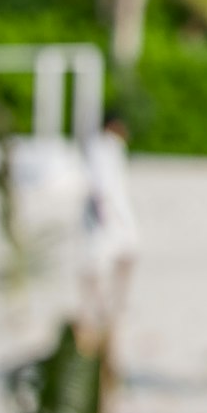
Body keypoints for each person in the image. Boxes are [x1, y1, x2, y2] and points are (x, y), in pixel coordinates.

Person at [78, 112, 137, 339]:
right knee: (97, 261)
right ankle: (101, 306)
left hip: (115, 211)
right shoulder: (102, 147)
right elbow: (101, 184)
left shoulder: (111, 148)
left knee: (121, 256)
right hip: (105, 212)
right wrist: (105, 214)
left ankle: (112, 304)